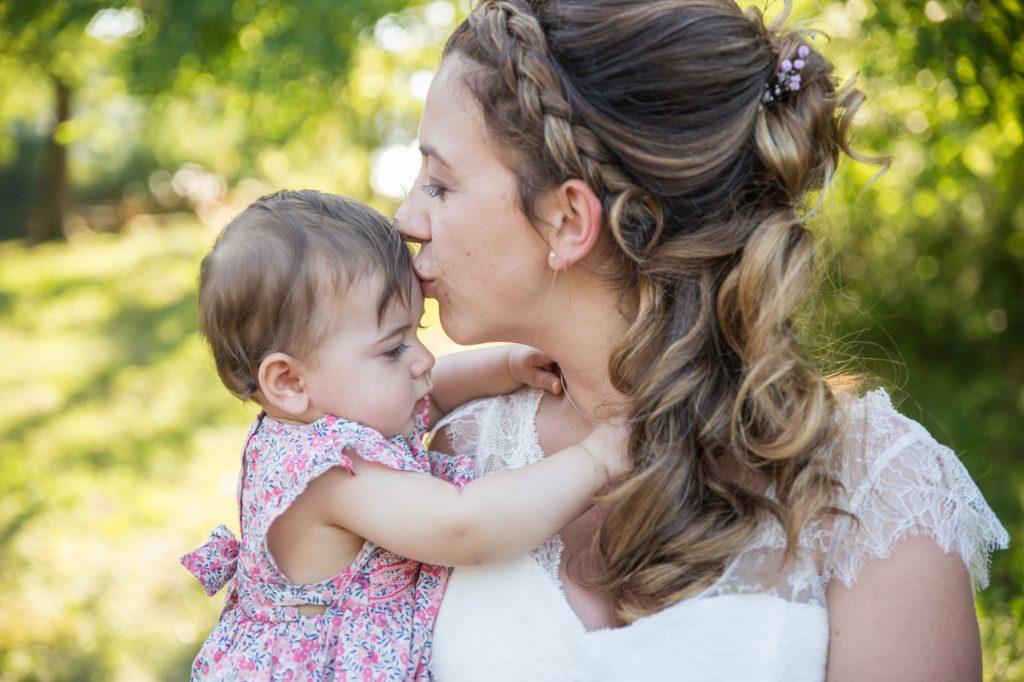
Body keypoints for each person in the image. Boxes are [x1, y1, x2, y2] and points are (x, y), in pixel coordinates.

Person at [394, 0, 1010, 680]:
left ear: (568, 219)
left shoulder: (880, 492)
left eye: (440, 183)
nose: (407, 218)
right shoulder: (456, 452)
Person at [180, 189, 624, 680]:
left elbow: (431, 393)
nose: (423, 360)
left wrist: (508, 363)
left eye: (419, 330)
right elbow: (464, 525)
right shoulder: (335, 476)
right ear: (288, 382)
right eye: (393, 349)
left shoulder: (325, 418)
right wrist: (598, 459)